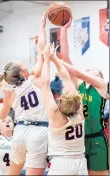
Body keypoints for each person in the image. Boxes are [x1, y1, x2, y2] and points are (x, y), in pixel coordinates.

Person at [0, 13, 48, 176]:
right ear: (23, 72)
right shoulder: (34, 78)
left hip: (20, 132)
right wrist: (41, 26)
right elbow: (41, 50)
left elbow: (2, 116)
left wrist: (5, 100)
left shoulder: (11, 94)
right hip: (38, 132)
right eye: (24, 65)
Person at [60, 20, 109, 175]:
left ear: (98, 76)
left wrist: (56, 61)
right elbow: (66, 57)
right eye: (87, 68)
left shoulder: (101, 85)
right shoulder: (79, 85)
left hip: (96, 140)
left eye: (92, 69)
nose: (88, 69)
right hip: (78, 140)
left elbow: (78, 72)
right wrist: (63, 30)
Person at [40, 44, 88, 175]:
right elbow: (66, 78)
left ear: (60, 101)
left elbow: (44, 83)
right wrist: (55, 59)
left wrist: (47, 59)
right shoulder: (80, 112)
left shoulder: (55, 115)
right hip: (80, 162)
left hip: (61, 163)